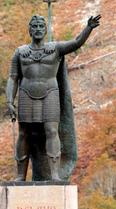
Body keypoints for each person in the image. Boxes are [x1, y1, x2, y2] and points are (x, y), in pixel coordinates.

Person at [6, 14, 101, 181]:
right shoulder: (20, 53)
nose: (38, 29)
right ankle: (20, 175)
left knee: (51, 131)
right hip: (26, 95)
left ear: (45, 30)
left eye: (41, 27)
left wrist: (88, 28)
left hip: (50, 94)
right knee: (24, 134)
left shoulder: (56, 48)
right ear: (29, 30)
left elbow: (77, 42)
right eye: (34, 27)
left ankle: (55, 175)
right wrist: (9, 101)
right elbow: (13, 77)